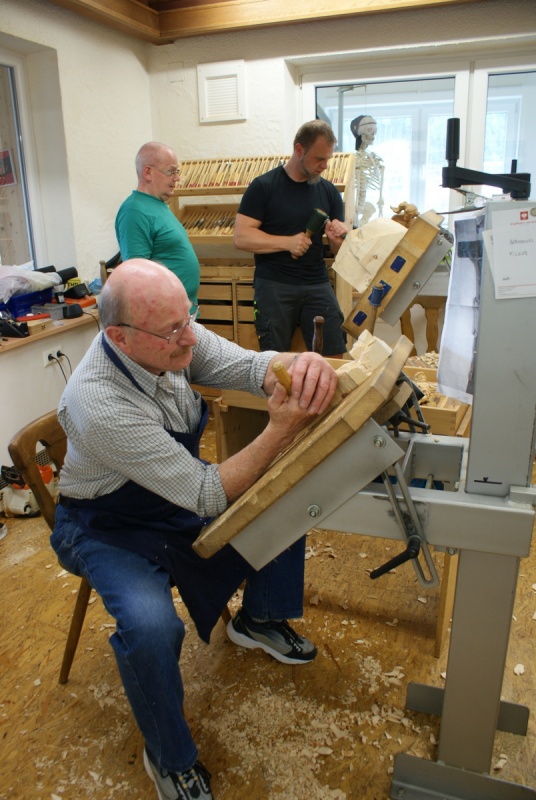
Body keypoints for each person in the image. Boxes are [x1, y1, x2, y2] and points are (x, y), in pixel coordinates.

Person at [50, 258, 337, 800]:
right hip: (105, 523)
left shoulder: (170, 335)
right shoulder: (99, 402)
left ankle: (259, 618)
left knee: (284, 500)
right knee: (152, 627)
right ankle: (170, 757)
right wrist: (281, 429)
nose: (190, 337)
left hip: (168, 494)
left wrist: (299, 365)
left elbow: (250, 367)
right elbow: (207, 493)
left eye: (190, 318)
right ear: (120, 337)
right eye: (174, 330)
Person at [234, 120, 348, 358]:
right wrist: (287, 243)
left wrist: (338, 240)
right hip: (274, 284)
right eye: (319, 159)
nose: (325, 166)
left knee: (334, 354)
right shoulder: (264, 187)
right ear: (299, 150)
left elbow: (340, 253)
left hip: (317, 282)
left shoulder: (329, 192)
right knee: (275, 359)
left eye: (328, 159)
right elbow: (242, 237)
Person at [115, 142, 200, 305]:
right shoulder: (134, 211)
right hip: (163, 314)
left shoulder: (159, 205)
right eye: (171, 171)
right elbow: (137, 276)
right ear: (148, 172)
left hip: (181, 310)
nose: (177, 178)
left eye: (177, 172)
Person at [350, 115, 385, 228]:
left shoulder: (372, 158)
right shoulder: (353, 159)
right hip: (355, 208)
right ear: (360, 132)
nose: (373, 136)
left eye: (374, 131)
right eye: (369, 131)